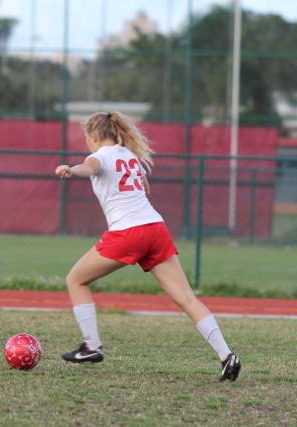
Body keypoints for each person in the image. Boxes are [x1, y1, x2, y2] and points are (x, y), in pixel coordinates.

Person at [55, 111, 241, 382]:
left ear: (93, 136)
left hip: (129, 232)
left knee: (75, 280)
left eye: (87, 138)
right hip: (156, 228)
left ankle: (91, 346)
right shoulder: (130, 157)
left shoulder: (100, 156)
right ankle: (227, 356)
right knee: (188, 299)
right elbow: (143, 188)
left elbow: (91, 167)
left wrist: (72, 170)